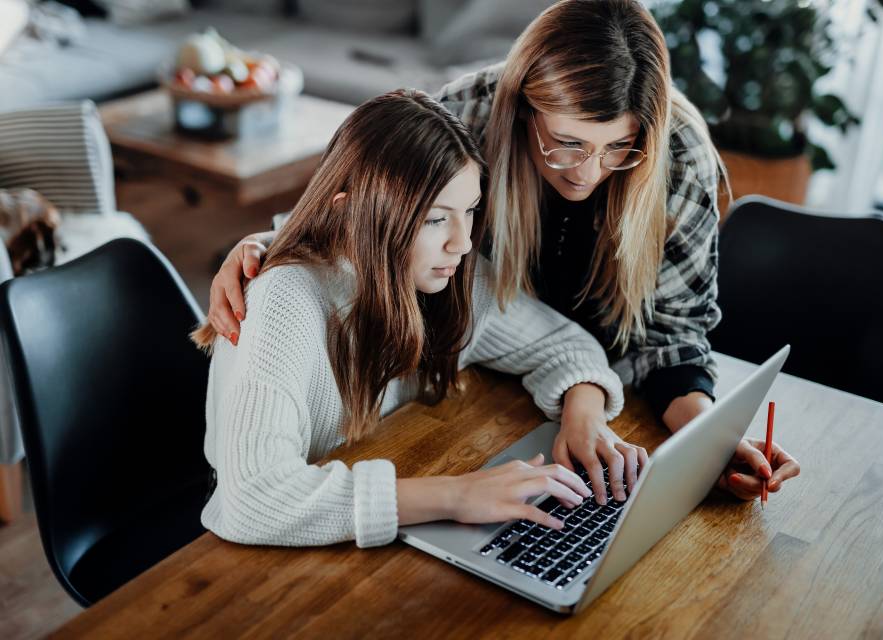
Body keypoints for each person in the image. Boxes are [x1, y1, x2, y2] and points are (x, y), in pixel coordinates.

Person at [204, 0, 799, 506]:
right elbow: (370, 200)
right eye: (567, 143)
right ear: (524, 110)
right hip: (466, 380)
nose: (589, 174)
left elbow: (673, 338)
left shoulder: (677, 157)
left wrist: (711, 442)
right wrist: (272, 246)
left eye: (618, 147)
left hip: (583, 393)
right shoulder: (468, 114)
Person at [191, 89, 634, 547]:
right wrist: (457, 496)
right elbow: (254, 499)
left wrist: (584, 417)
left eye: (468, 211)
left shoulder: (445, 276)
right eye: (435, 220)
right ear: (350, 214)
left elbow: (565, 345)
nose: (462, 243)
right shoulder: (283, 301)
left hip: (379, 507)